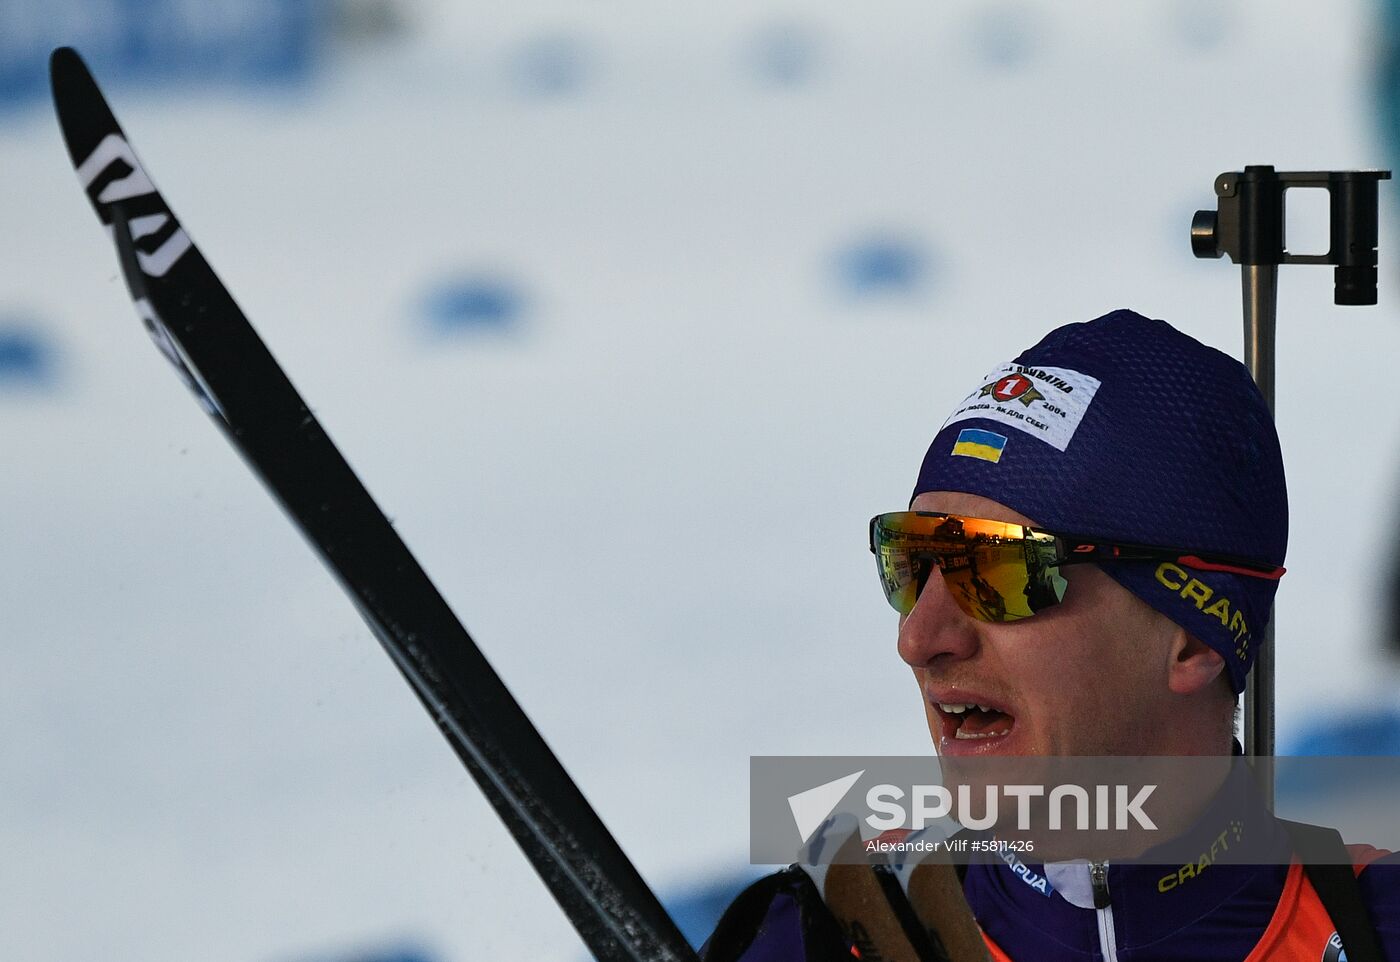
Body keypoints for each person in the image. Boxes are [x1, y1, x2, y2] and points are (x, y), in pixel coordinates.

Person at [703, 309, 1400, 961]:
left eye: (999, 572)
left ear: (1194, 637)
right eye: (911, 567)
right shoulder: (816, 941)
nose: (919, 638)